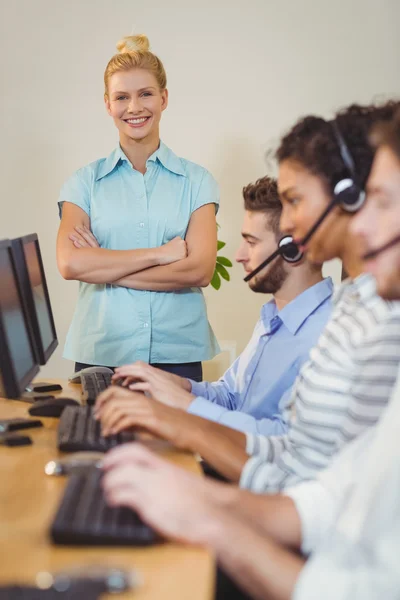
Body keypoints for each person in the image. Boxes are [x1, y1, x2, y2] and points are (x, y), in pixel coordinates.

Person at [101, 107, 400, 600]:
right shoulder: (355, 304)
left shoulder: (376, 322)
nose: (361, 224)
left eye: (382, 202)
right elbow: (325, 493)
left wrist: (210, 512)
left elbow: (361, 577)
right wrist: (203, 495)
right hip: (299, 535)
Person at [56, 34, 220, 381]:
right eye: (122, 97)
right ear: (107, 104)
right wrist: (161, 254)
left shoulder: (198, 181)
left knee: (176, 439)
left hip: (178, 354)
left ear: (163, 98)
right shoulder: (83, 183)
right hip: (101, 353)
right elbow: (71, 263)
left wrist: (105, 266)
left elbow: (199, 271)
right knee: (90, 436)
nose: (134, 107)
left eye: (145, 94)